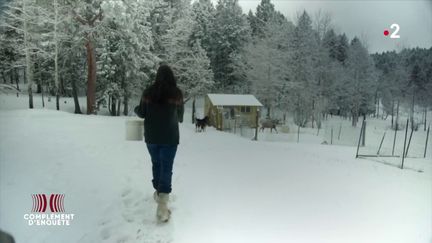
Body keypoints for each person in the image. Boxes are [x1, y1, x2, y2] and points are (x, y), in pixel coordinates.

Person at [134, 65, 184, 222]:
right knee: (166, 167)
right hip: (170, 138)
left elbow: (141, 113)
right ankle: (162, 205)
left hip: (152, 138)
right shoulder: (177, 94)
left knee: (156, 164)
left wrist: (137, 108)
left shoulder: (148, 92)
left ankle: (159, 192)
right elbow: (181, 117)